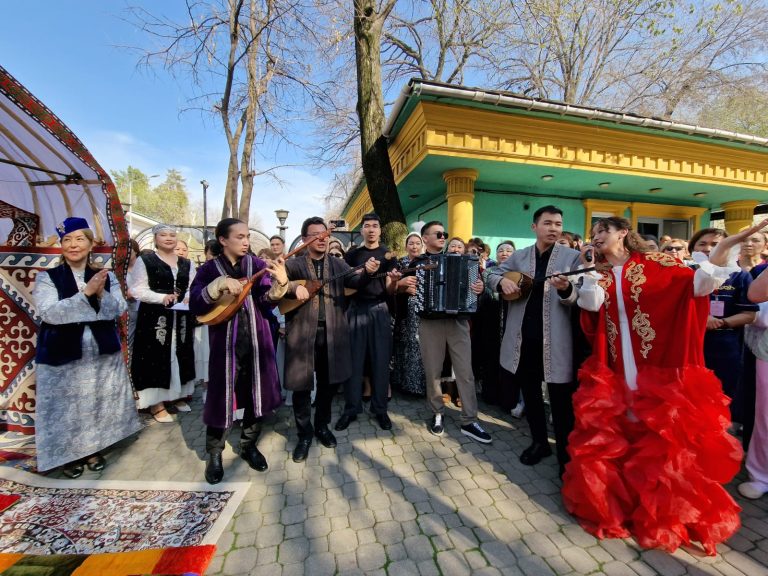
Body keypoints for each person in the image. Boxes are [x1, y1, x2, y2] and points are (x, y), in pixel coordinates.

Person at [563, 217, 767, 554]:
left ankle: (661, 513)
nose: (597, 237)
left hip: (655, 371)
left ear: (623, 234)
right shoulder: (597, 272)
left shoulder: (656, 263)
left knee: (657, 442)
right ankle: (624, 507)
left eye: (604, 231)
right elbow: (591, 306)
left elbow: (700, 285)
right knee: (620, 436)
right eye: (594, 232)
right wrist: (586, 275)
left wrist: (724, 248)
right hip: (614, 369)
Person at [33, 217, 141, 477]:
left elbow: (119, 309)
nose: (73, 245)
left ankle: (93, 449)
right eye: (67, 240)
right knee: (66, 405)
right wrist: (86, 295)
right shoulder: (47, 278)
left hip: (100, 351)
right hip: (62, 351)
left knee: (96, 400)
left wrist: (101, 293)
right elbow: (50, 313)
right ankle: (69, 455)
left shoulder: (107, 276)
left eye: (80, 239)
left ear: (91, 243)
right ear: (60, 245)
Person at [189, 218, 289, 484]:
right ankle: (214, 454)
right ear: (223, 240)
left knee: (256, 395)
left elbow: (267, 300)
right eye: (240, 237)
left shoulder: (256, 265)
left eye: (247, 237)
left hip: (257, 342)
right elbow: (196, 304)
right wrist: (218, 285)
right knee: (221, 397)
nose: (246, 242)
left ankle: (248, 445)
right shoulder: (209, 269)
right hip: (225, 343)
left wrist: (280, 283)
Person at [486, 205, 581, 474]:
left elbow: (583, 294)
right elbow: (490, 273)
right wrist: (502, 281)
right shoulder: (520, 256)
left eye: (558, 224)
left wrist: (568, 289)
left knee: (561, 401)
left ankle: (566, 456)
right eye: (548, 223)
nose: (554, 228)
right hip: (524, 339)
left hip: (558, 342)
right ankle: (539, 442)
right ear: (534, 227)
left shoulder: (572, 258)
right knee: (531, 394)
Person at [281, 217, 379, 462]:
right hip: (302, 333)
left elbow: (355, 281)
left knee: (328, 384)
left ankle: (322, 426)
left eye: (325, 234)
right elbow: (277, 287)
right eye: (316, 234)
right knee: (302, 387)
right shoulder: (292, 265)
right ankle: (304, 435)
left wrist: (367, 272)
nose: (322, 238)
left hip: (333, 333)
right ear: (305, 240)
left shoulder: (337, 263)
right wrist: (293, 288)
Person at [415, 221, 491, 443]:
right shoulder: (418, 263)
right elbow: (405, 286)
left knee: (465, 371)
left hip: (458, 321)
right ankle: (437, 413)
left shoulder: (466, 262)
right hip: (430, 323)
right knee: (433, 370)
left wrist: (479, 288)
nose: (443, 236)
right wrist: (407, 286)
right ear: (425, 238)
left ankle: (469, 420)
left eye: (444, 233)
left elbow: (475, 287)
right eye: (438, 233)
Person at [335, 213, 396, 432]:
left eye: (375, 226)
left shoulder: (388, 254)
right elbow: (345, 284)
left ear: (380, 230)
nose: (371, 229)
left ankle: (380, 410)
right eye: (367, 226)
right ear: (361, 230)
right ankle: (351, 409)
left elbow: (390, 288)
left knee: (381, 362)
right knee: (354, 362)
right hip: (356, 309)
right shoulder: (352, 254)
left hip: (380, 309)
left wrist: (394, 282)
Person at [690, 228, 757, 425]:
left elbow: (749, 315)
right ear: (692, 247)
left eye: (716, 245)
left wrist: (722, 322)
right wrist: (703, 318)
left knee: (723, 394)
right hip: (693, 343)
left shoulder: (741, 277)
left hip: (726, 346)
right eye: (702, 244)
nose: (709, 249)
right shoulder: (686, 273)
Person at [129, 224, 196, 422]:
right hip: (154, 318)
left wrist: (189, 297)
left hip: (181, 317)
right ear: (155, 238)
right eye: (163, 235)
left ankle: (176, 396)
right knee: (155, 357)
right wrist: (161, 298)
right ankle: (156, 404)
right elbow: (136, 289)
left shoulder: (186, 263)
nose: (168, 238)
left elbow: (194, 286)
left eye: (172, 235)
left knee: (181, 353)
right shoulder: (146, 260)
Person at [392, 232, 427, 396]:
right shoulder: (400, 263)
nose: (414, 246)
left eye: (417, 243)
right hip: (403, 312)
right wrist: (402, 286)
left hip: (422, 313)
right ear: (406, 246)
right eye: (411, 243)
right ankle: (403, 383)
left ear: (422, 245)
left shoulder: (427, 262)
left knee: (419, 347)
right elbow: (391, 287)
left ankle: (419, 386)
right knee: (404, 346)